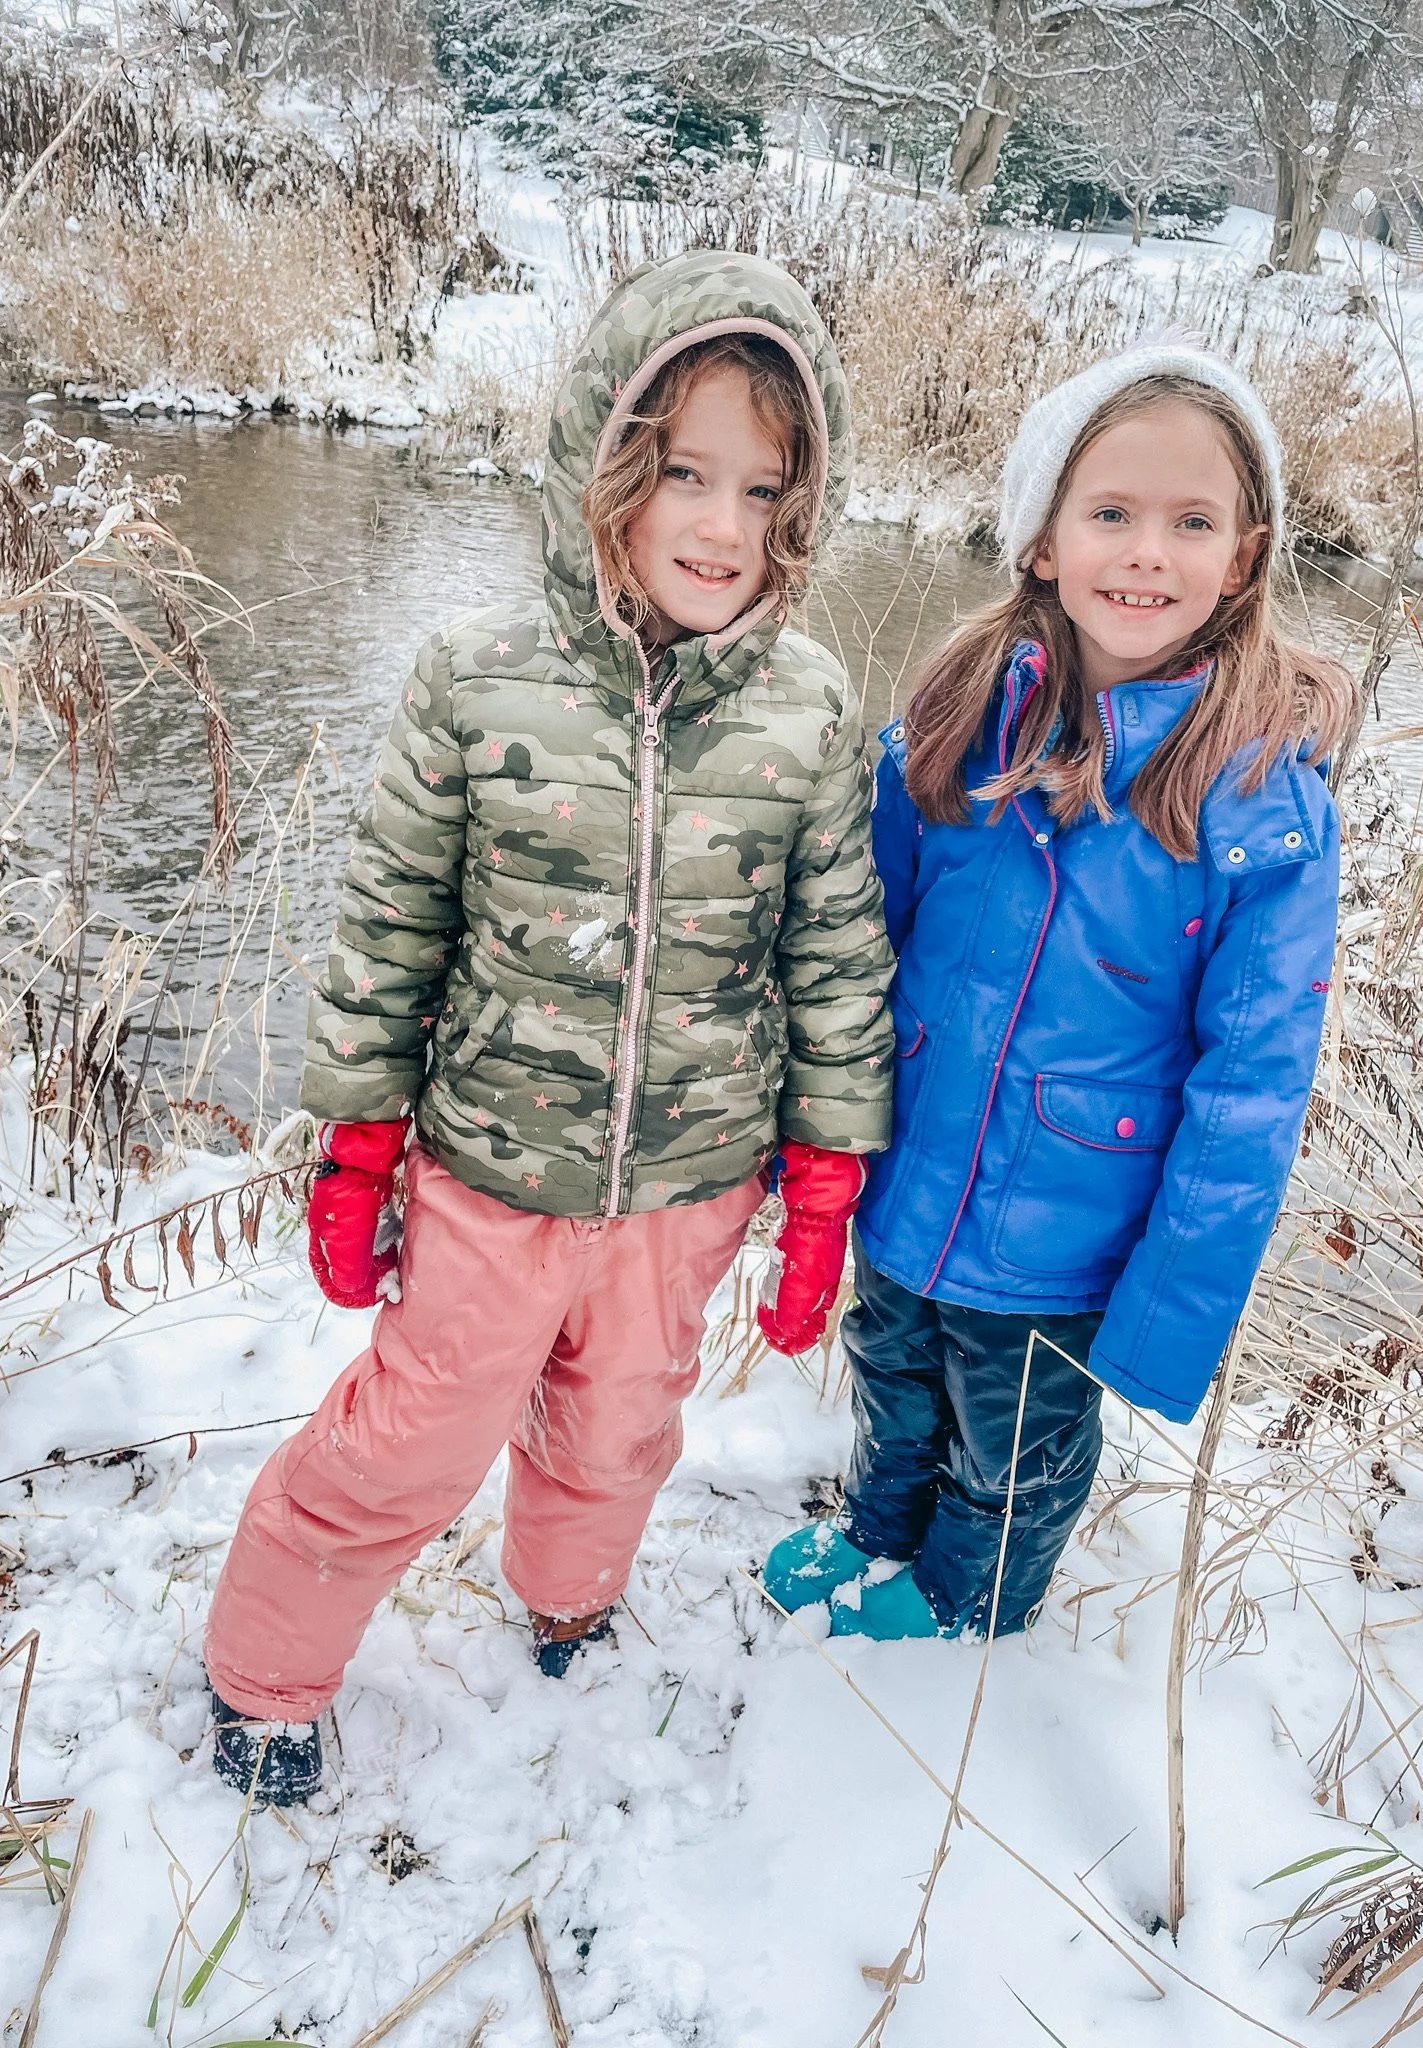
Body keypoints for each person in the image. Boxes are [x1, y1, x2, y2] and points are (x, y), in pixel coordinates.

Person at [202, 252, 894, 1804]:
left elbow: (839, 953)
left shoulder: (808, 708)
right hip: (491, 1172)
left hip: (693, 1183)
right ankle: (266, 1669)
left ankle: (568, 1603)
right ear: (608, 468)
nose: (724, 526)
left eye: (765, 489)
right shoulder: (477, 678)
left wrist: (824, 1185)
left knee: (618, 1429)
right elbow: (392, 926)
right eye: (686, 475)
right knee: (411, 1437)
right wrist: (361, 1139)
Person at [764, 344, 1353, 1642]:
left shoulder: (1256, 805)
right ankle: (879, 1524)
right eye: (1112, 514)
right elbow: (855, 944)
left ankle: (973, 1598)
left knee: (1013, 1436)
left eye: (1190, 522)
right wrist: (806, 1145)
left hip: (1068, 1229)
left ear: (1243, 557)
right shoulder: (961, 725)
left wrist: (1168, 1307)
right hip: (911, 1173)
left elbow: (1251, 1090)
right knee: (896, 1369)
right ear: (1042, 541)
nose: (1148, 552)